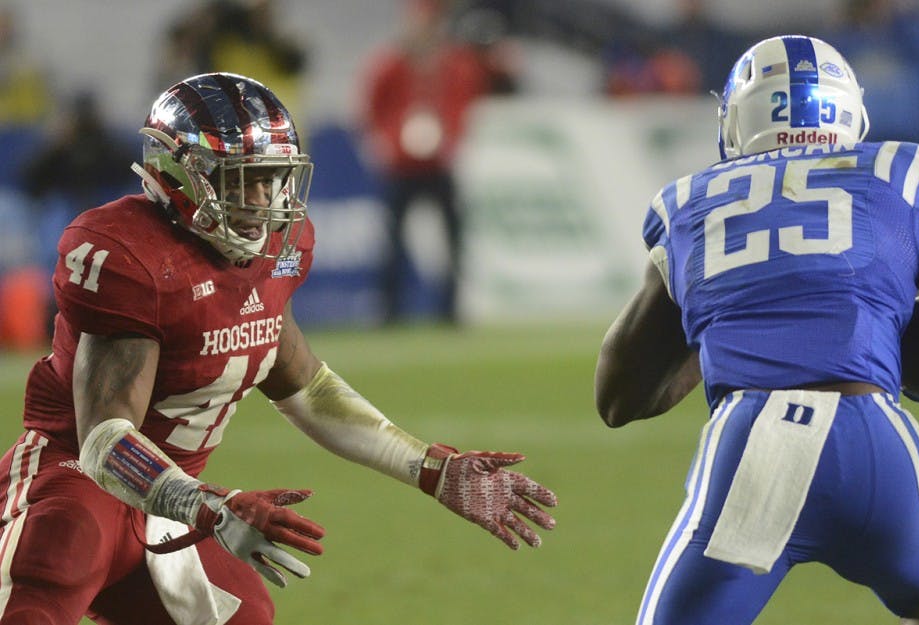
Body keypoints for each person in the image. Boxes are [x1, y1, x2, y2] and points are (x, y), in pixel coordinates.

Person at [0, 72, 557, 624]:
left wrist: (429, 469)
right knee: (59, 556)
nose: (263, 199)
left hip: (171, 508)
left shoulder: (277, 252)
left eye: (271, 179)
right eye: (242, 180)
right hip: (73, 480)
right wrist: (209, 506)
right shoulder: (129, 254)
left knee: (243, 614)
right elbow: (103, 443)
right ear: (181, 176)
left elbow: (303, 384)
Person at [595, 35, 919, 625]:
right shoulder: (899, 169)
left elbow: (618, 397)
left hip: (758, 448)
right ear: (847, 110)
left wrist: (718, 309)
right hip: (878, 442)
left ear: (738, 118)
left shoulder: (690, 200)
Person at [361, 0, 503, 324]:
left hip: (439, 165)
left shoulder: (455, 65)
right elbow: (371, 108)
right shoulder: (390, 64)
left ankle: (450, 311)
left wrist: (448, 136)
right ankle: (389, 312)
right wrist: (390, 140)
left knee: (454, 239)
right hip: (400, 167)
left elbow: (466, 103)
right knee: (392, 242)